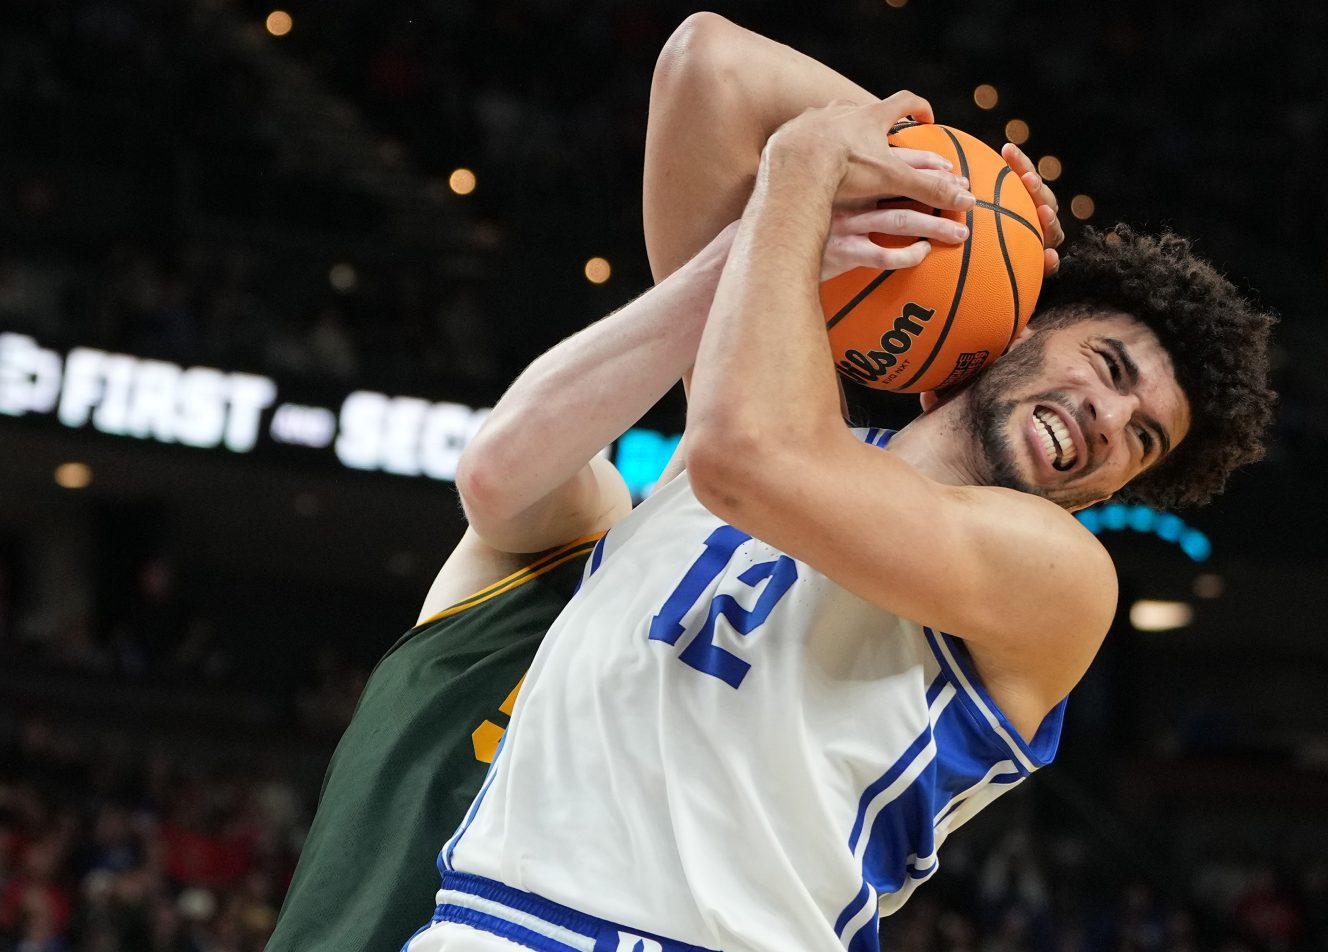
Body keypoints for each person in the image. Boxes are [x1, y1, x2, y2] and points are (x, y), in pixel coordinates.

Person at [405, 12, 1275, 952]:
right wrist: (943, 177)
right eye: (1108, 365)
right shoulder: (766, 397)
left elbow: (749, 459)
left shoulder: (1057, 577)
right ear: (1019, 324)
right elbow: (710, 66)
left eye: (1143, 437)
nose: (1110, 419)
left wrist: (807, 171)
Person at [269, 18, 1061, 952]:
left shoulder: (822, 690)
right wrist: (940, 183)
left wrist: (801, 206)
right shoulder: (604, 527)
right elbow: (710, 66)